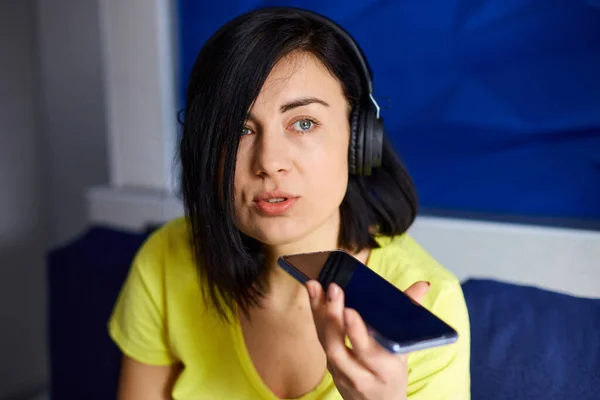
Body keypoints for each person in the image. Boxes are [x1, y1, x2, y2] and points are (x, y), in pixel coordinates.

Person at [108, 6, 470, 400]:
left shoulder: (432, 304)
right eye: (238, 130)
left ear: (358, 140)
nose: (269, 163)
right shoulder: (166, 259)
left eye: (303, 123)